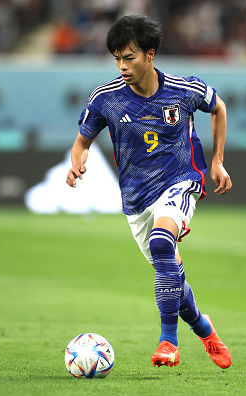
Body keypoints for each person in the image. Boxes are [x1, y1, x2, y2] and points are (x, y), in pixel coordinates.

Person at [66, 15, 233, 369]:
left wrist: (217, 161)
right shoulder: (105, 99)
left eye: (129, 57)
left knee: (162, 243)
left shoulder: (183, 90)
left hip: (182, 180)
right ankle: (204, 328)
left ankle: (168, 343)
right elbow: (81, 142)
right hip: (136, 199)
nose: (122, 66)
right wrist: (76, 162)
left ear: (150, 54)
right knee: (169, 269)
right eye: (116, 58)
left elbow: (218, 108)